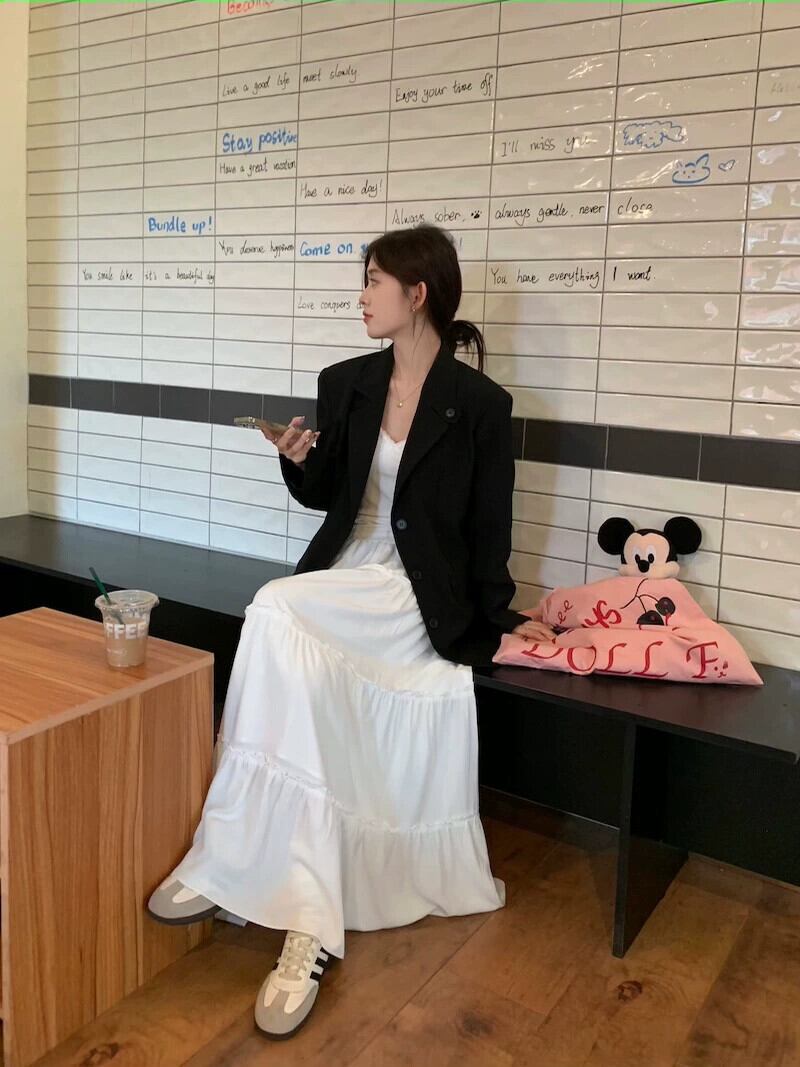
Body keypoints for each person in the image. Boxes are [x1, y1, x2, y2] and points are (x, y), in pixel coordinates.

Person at [146, 224, 555, 1040]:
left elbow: (490, 529)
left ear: (418, 293)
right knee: (279, 614)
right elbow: (326, 494)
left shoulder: (481, 405)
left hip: (416, 594)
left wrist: (498, 619)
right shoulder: (347, 382)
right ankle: (240, 862)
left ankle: (285, 898)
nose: (361, 296)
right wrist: (298, 458)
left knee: (274, 608)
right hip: (347, 573)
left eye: (373, 280)